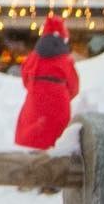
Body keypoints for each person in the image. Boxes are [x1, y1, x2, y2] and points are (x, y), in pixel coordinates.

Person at [15, 13, 79, 149]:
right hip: (60, 105)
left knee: (32, 140)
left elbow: (25, 79)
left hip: (35, 105)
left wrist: (38, 88)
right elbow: (74, 88)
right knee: (59, 144)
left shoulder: (33, 58)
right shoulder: (66, 60)